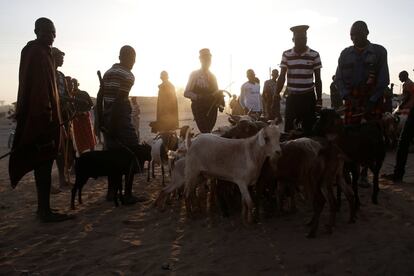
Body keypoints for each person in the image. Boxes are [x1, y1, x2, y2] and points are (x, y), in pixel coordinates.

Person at [9, 17, 72, 222]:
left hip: (47, 119)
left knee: (44, 163)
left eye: (53, 32)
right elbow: (37, 91)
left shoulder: (44, 54)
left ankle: (44, 209)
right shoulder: (35, 53)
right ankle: (43, 211)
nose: (51, 36)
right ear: (36, 31)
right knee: (42, 163)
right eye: (46, 31)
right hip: (41, 120)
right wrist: (45, 117)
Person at [101, 45, 140, 204]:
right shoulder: (128, 75)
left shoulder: (107, 73)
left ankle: (111, 193)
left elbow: (102, 98)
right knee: (133, 151)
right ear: (125, 58)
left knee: (113, 155)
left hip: (106, 115)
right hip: (119, 118)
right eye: (132, 59)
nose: (134, 62)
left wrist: (104, 121)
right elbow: (119, 101)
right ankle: (127, 194)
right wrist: (113, 125)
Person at [335, 21, 389, 125]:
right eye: (352, 35)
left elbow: (383, 79)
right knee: (350, 135)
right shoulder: (345, 54)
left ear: (367, 32)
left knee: (373, 135)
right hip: (351, 102)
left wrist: (372, 101)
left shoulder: (379, 52)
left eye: (358, 34)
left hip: (373, 101)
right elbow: (339, 79)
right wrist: (348, 97)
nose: (354, 37)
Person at [275, 25, 323, 135]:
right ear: (293, 40)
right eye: (298, 39)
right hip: (292, 98)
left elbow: (318, 79)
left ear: (306, 39)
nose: (301, 41)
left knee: (308, 131)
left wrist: (319, 99)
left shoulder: (314, 55)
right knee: (289, 131)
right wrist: (276, 95)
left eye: (303, 39)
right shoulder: (286, 54)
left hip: (308, 98)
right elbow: (282, 76)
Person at [384, 71, 414, 182]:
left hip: (409, 112)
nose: (399, 78)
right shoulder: (411, 84)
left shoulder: (407, 84)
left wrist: (400, 105)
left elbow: (406, 97)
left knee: (403, 143)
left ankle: (398, 175)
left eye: (400, 76)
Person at [184, 48, 223, 133]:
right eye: (205, 59)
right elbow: (186, 93)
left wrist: (220, 102)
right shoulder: (194, 75)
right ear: (200, 60)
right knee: (205, 131)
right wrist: (200, 97)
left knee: (208, 131)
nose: (208, 61)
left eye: (209, 59)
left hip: (212, 109)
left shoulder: (213, 76)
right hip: (199, 107)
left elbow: (217, 92)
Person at [52, 47, 73, 189]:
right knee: (49, 150)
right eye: (60, 56)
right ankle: (48, 184)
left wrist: (70, 102)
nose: (62, 59)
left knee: (62, 149)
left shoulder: (60, 75)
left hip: (62, 115)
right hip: (50, 115)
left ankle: (62, 179)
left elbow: (65, 94)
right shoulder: (47, 73)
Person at [72, 78, 96, 154]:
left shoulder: (84, 93)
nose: (73, 85)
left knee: (89, 136)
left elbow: (91, 105)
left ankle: (93, 153)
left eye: (74, 83)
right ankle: (81, 155)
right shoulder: (69, 95)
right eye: (72, 84)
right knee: (79, 138)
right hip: (76, 119)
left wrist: (84, 112)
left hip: (85, 117)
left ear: (77, 84)